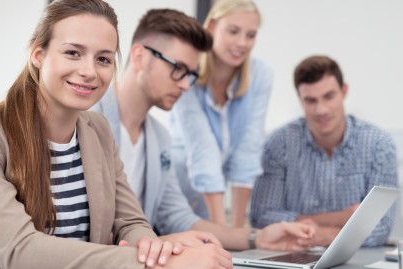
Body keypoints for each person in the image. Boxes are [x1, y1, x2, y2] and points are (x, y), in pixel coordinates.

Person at [0, 1, 233, 268]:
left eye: (103, 59)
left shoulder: (97, 130)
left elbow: (131, 221)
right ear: (38, 55)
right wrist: (164, 264)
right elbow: (19, 251)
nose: (89, 71)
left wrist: (154, 249)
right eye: (73, 53)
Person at [92, 8, 314, 252]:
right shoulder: (86, 120)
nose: (186, 85)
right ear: (139, 57)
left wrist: (257, 238)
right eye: (178, 68)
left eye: (190, 74)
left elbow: (180, 218)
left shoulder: (159, 140)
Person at [250, 55, 398, 247]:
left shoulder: (378, 145)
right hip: (294, 254)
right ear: (300, 100)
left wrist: (323, 235)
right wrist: (344, 217)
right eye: (311, 100)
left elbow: (381, 227)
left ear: (344, 91)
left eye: (329, 96)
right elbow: (261, 217)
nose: (321, 110)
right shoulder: (279, 144)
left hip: (357, 258)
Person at [168, 0, 272, 227]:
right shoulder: (189, 73)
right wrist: (224, 235)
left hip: (211, 201)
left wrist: (235, 230)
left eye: (251, 35)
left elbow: (248, 150)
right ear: (212, 27)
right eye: (233, 31)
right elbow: (202, 151)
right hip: (174, 196)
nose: (242, 43)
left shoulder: (260, 76)